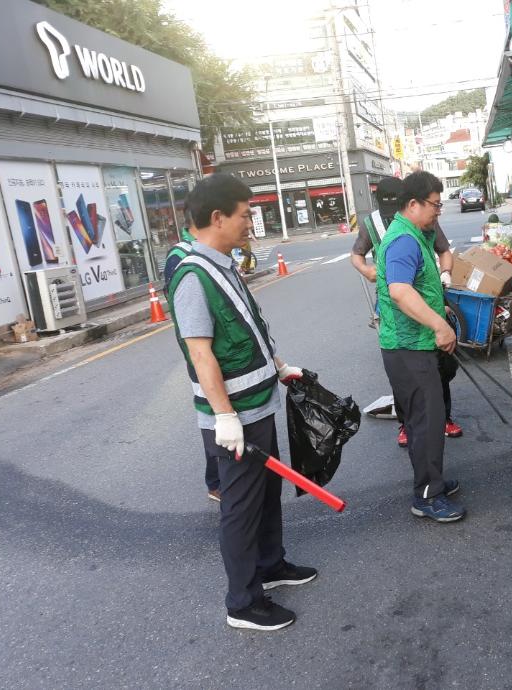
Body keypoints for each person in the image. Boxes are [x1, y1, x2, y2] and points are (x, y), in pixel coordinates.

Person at [167, 174, 316, 631]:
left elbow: (247, 326)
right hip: (236, 416)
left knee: (266, 494)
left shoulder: (221, 264)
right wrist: (224, 416)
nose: (251, 221)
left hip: (258, 402)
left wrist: (279, 365)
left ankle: (270, 566)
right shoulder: (193, 275)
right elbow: (200, 351)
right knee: (241, 505)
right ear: (218, 218)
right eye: (245, 213)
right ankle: (243, 602)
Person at [376, 171, 465, 523]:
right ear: (413, 204)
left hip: (413, 344)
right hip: (407, 347)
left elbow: (416, 284)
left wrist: (436, 305)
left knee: (424, 419)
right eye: (434, 205)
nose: (438, 211)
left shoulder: (416, 234)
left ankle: (433, 480)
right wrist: (439, 324)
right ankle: (427, 495)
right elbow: (399, 291)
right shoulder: (403, 240)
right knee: (426, 422)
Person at [352, 177, 463, 447]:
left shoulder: (426, 220)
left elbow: (444, 252)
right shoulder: (378, 227)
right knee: (406, 373)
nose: (436, 211)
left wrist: (444, 276)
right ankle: (408, 424)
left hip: (423, 300)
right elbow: (359, 258)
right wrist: (368, 270)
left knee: (437, 370)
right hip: (394, 307)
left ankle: (440, 418)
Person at [164, 222, 223, 503]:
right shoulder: (180, 257)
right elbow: (184, 308)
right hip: (201, 347)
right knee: (212, 411)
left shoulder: (208, 249)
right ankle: (216, 482)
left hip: (218, 346)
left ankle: (223, 475)